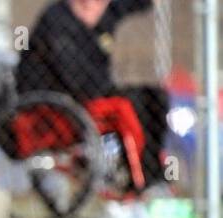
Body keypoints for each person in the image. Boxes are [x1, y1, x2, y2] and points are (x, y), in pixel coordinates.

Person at [14, 0, 169, 186]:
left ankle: (156, 176)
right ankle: (139, 181)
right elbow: (74, 78)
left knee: (154, 97)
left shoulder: (103, 13)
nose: (91, 5)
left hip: (92, 97)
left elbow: (134, 4)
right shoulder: (58, 21)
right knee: (127, 104)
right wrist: (106, 90)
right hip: (57, 106)